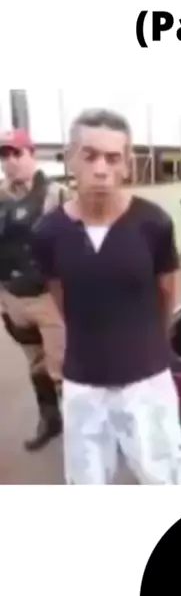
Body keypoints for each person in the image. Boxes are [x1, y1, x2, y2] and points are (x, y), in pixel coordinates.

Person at [32, 108, 181, 485]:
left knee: (166, 481)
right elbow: (63, 298)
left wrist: (147, 345)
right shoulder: (48, 232)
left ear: (127, 164)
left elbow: (165, 294)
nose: (101, 169)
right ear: (70, 158)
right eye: (89, 156)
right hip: (83, 384)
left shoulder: (153, 223)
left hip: (147, 382)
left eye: (112, 158)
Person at [0, 129, 67, 450]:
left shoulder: (57, 195)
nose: (10, 161)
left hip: (49, 298)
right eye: (4, 155)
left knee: (64, 368)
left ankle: (86, 431)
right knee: (36, 363)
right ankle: (50, 420)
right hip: (12, 297)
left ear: (32, 154)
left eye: (17, 153)